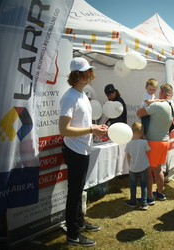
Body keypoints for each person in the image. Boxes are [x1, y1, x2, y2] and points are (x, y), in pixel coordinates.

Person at [59, 57, 108, 247]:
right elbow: (64, 129)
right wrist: (91, 130)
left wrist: (95, 126)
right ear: (75, 75)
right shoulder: (70, 97)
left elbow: (82, 123)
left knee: (79, 190)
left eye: (89, 71)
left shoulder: (81, 94)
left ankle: (79, 221)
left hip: (83, 149)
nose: (88, 74)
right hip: (75, 150)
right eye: (84, 72)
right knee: (74, 193)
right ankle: (73, 234)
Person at [136, 83, 174, 203]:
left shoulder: (158, 105)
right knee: (158, 169)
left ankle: (149, 197)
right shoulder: (172, 105)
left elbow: (139, 113)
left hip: (154, 142)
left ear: (161, 93)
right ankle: (160, 192)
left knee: (149, 170)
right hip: (164, 141)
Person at [124, 121, 151, 210]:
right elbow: (148, 151)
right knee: (143, 184)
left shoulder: (129, 143)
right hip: (143, 166)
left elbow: (127, 156)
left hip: (133, 167)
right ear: (142, 132)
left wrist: (129, 165)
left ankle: (133, 201)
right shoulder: (144, 142)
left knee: (133, 185)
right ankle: (144, 203)